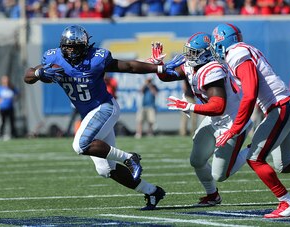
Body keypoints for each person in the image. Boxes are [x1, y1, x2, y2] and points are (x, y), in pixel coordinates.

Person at [23, 25, 183, 210]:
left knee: (80, 145)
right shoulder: (54, 59)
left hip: (104, 107)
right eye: (68, 47)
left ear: (85, 46)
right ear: (62, 46)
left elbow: (129, 66)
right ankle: (152, 191)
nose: (71, 51)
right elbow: (28, 76)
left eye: (76, 47)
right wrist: (38, 73)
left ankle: (129, 158)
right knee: (105, 169)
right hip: (90, 114)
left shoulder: (96, 59)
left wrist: (159, 68)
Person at [211, 23, 290, 218]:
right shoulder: (246, 50)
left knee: (254, 158)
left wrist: (235, 128)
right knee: (283, 165)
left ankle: (288, 202)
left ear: (222, 42)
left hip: (280, 108)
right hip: (289, 105)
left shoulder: (236, 54)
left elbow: (251, 93)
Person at [148, 34, 253, 206]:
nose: (188, 56)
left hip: (231, 122)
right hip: (214, 120)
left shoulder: (213, 70)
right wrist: (159, 66)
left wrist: (188, 106)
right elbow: (168, 76)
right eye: (188, 51)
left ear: (205, 54)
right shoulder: (192, 65)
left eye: (193, 53)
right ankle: (212, 196)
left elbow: (218, 106)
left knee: (221, 175)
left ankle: (253, 148)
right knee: (197, 160)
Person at [0, 75, 19, 140]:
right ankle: (1, 134)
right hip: (2, 108)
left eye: (7, 79)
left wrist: (15, 99)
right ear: (2, 80)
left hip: (10, 108)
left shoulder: (12, 88)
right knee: (3, 121)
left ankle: (13, 134)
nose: (6, 81)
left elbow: (18, 94)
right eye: (5, 79)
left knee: (12, 122)